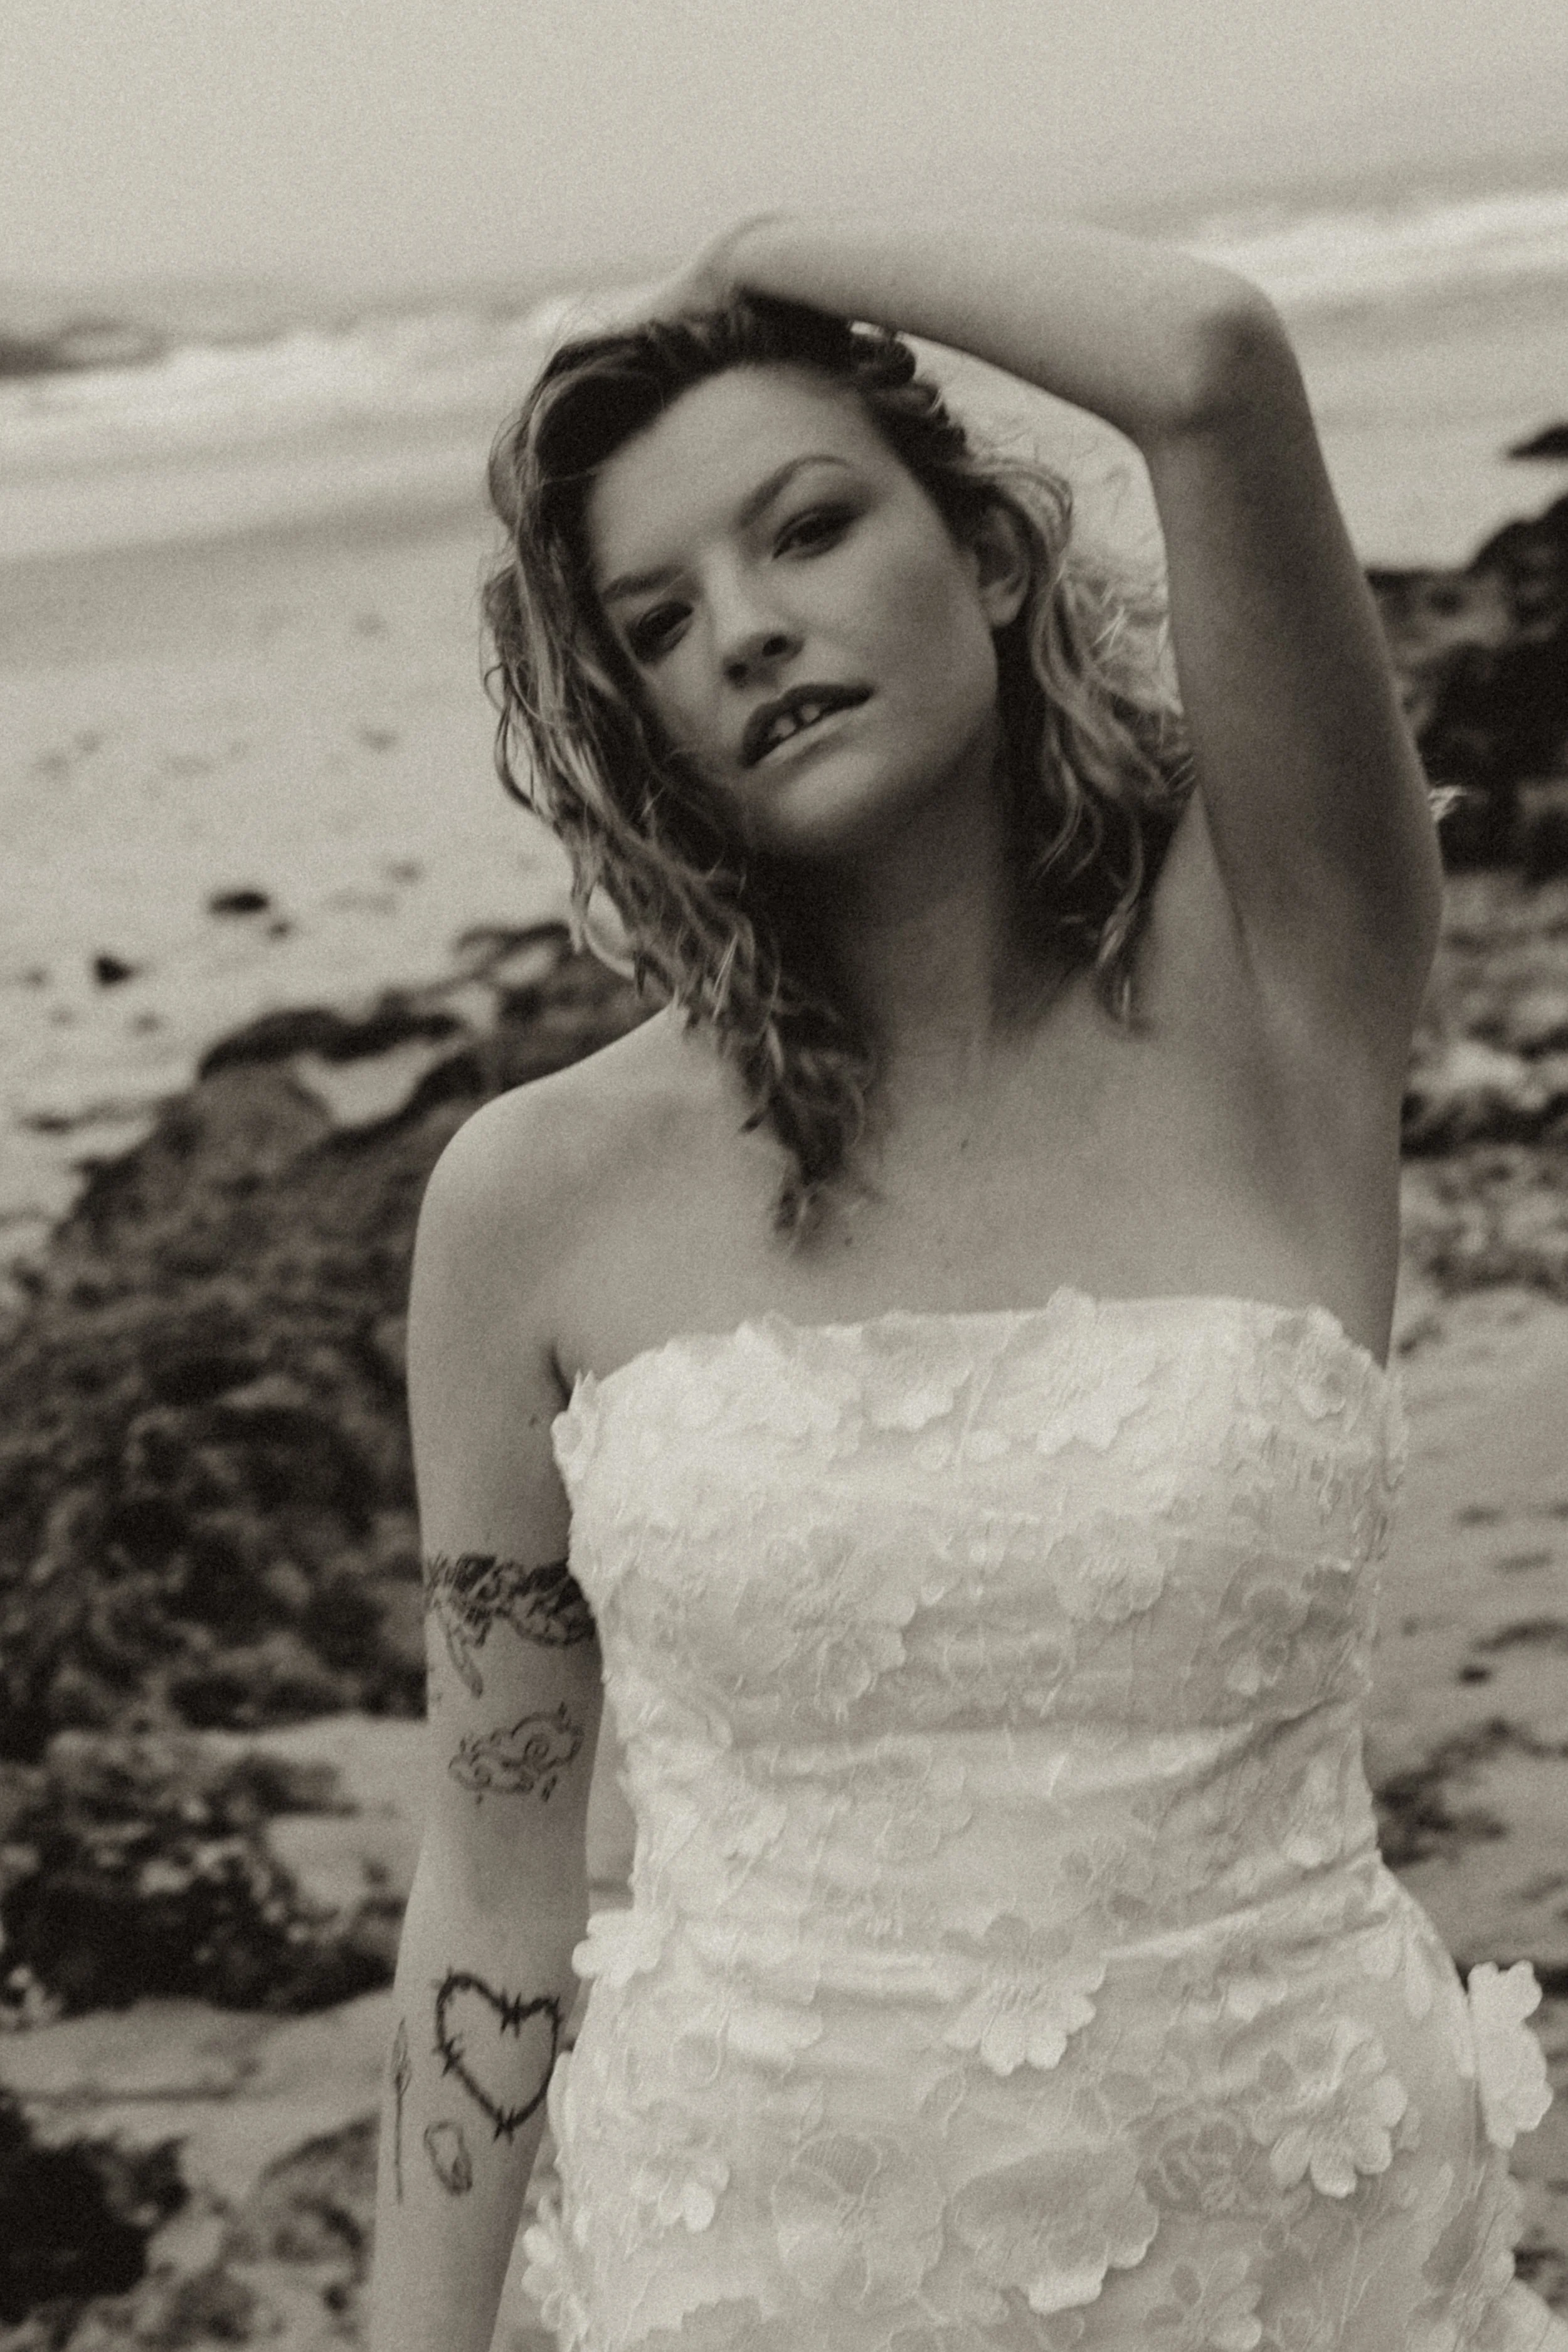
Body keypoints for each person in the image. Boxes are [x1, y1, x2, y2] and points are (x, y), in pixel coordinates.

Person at [368, 215, 1567, 2351]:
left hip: (1316, 2264)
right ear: (638, 715)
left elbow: (1203, 357)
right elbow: (493, 1876)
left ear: (992, 553)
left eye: (809, 527)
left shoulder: (1286, 977)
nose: (746, 628)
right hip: (756, 2276)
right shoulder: (530, 1200)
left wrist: (748, 255)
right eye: (658, 619)